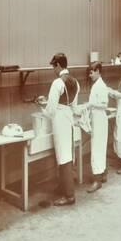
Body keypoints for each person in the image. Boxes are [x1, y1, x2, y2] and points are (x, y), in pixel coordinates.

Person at [41, 53, 80, 206]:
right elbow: (74, 107)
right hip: (69, 118)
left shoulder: (57, 83)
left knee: (63, 158)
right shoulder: (76, 82)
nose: (53, 69)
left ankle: (69, 196)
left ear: (58, 65)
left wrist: (41, 107)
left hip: (59, 120)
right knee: (67, 155)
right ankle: (63, 186)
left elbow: (51, 110)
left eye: (53, 66)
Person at [86, 61, 109, 192]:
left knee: (97, 149)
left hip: (99, 119)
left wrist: (91, 105)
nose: (90, 75)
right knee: (99, 148)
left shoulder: (101, 86)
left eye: (92, 72)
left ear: (98, 71)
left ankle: (97, 180)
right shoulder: (96, 85)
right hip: (96, 118)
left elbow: (104, 104)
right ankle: (103, 174)